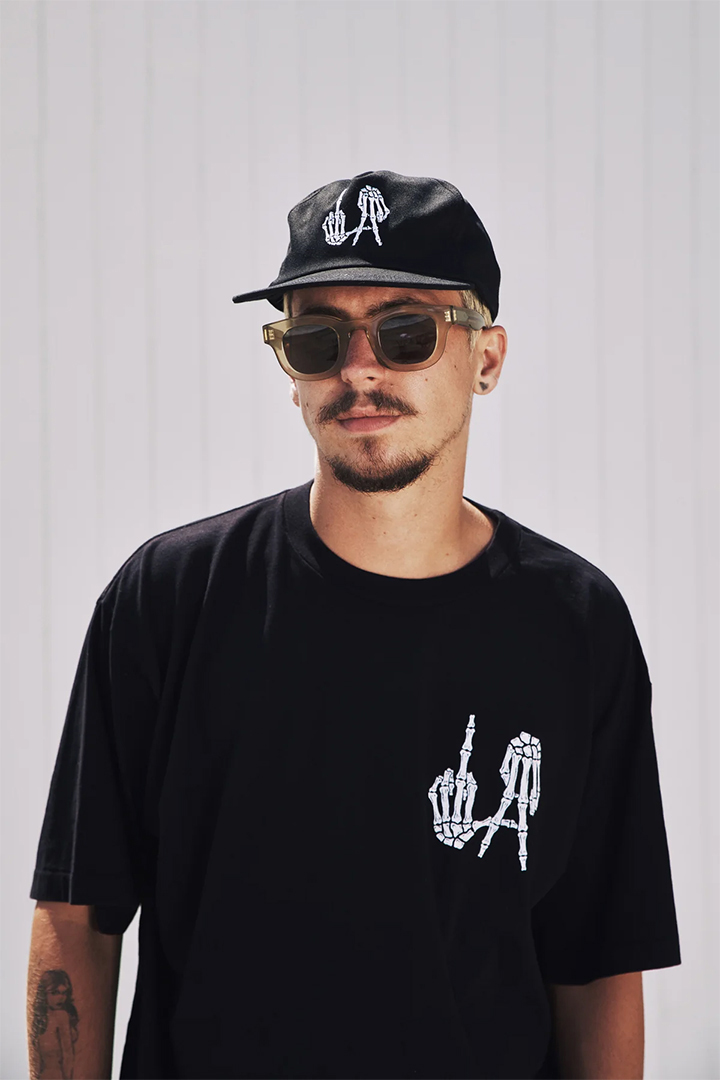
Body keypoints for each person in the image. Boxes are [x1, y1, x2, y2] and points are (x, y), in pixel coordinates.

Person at [27, 170, 681, 1080]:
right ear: (291, 371)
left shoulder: (575, 624)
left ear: (487, 358)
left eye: (407, 333)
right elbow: (76, 915)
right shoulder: (169, 599)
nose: (360, 370)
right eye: (318, 339)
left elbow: (598, 961)